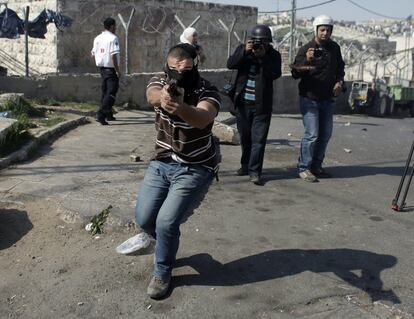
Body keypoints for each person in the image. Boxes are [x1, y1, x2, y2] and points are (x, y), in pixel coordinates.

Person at [121, 44, 221, 299]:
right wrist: (164, 98)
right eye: (173, 68)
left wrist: (181, 108)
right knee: (144, 220)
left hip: (195, 166)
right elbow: (152, 95)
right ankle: (164, 244)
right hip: (163, 159)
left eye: (185, 68)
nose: (178, 73)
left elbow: (203, 117)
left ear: (195, 65)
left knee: (166, 222)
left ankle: (162, 272)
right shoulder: (161, 80)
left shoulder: (207, 89)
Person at [291, 15, 345, 182]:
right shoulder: (306, 49)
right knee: (312, 134)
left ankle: (316, 166)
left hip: (327, 99)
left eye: (328, 30)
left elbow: (340, 68)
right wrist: (307, 60)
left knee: (325, 134)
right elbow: (295, 73)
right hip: (310, 98)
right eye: (322, 29)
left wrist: (339, 82)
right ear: (316, 30)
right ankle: (304, 168)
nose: (325, 33)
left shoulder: (335, 48)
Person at [227, 25, 282, 185]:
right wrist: (245, 51)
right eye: (257, 41)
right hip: (242, 103)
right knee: (245, 138)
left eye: (264, 42)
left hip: (261, 106)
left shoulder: (274, 56)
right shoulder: (244, 50)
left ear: (269, 42)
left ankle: (255, 171)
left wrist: (263, 58)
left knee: (258, 140)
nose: (260, 45)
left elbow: (275, 73)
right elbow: (230, 64)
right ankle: (245, 165)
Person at [91, 17, 121, 125]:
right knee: (111, 91)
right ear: (112, 26)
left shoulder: (97, 38)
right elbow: (113, 56)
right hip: (111, 69)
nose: (116, 28)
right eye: (115, 26)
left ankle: (108, 113)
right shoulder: (113, 38)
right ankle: (101, 114)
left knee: (105, 91)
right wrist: (117, 70)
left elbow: (93, 53)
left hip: (102, 68)